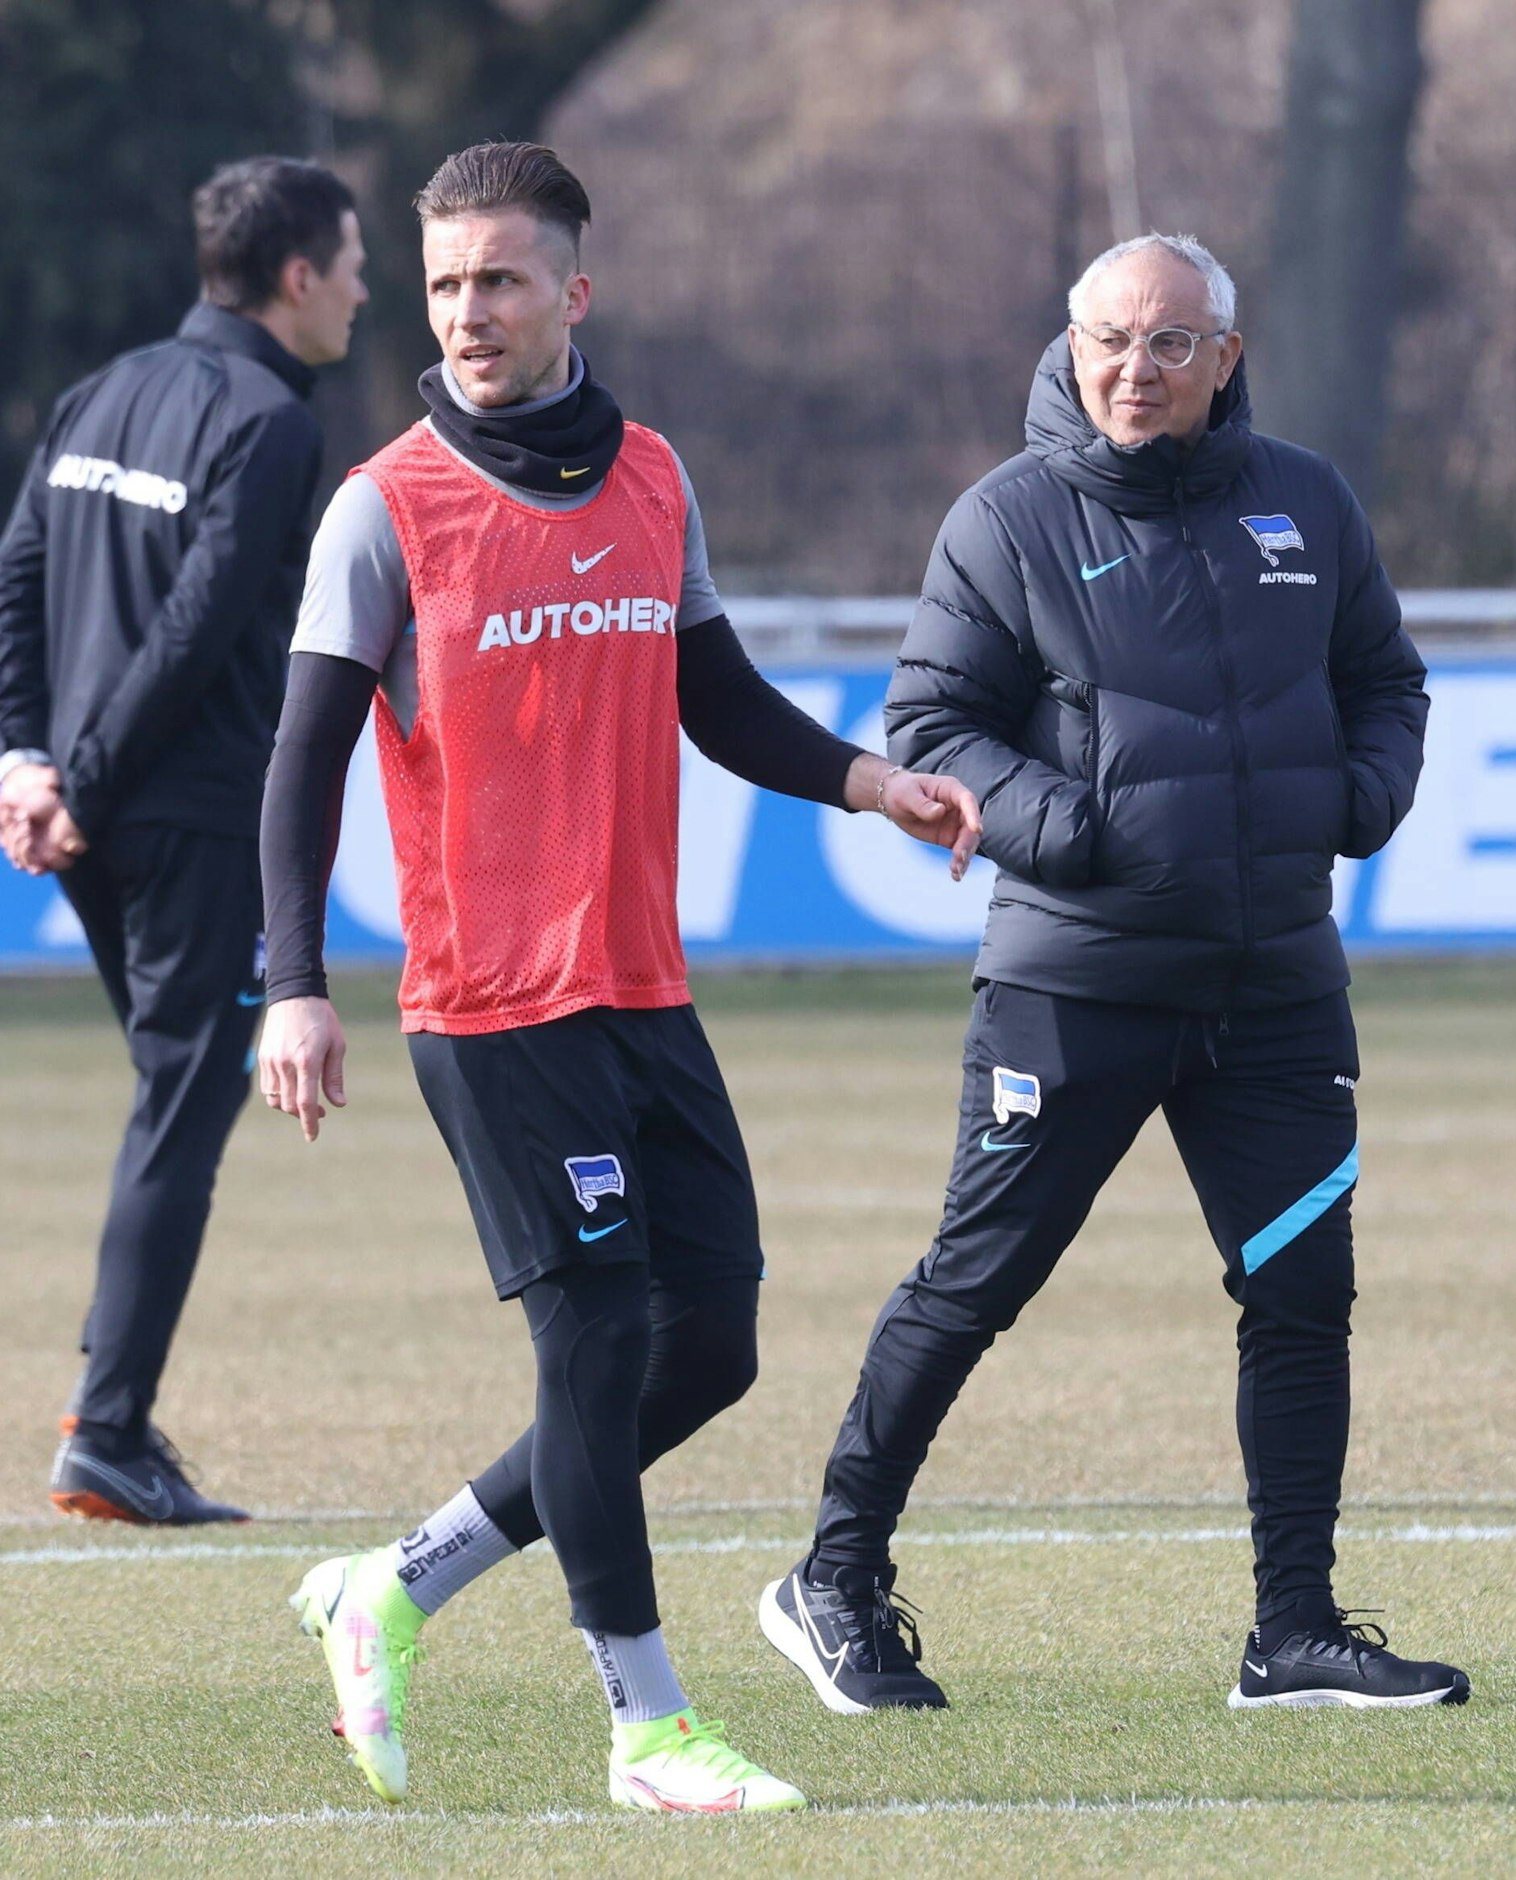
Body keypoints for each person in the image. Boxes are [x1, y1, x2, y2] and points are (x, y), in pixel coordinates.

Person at [257, 141, 979, 1815]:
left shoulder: (654, 475)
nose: (466, 313)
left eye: (499, 280)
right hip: (489, 1007)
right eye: (441, 286)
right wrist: (291, 982)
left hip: (641, 989)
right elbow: (298, 766)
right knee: (587, 1352)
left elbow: (710, 691)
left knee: (708, 1346)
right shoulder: (385, 505)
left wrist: (870, 781)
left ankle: (400, 1584)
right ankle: (647, 1729)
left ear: (574, 291)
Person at [759, 232, 1470, 1716]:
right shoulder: (1005, 520)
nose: (1133, 371)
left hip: (1276, 988)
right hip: (1073, 988)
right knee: (976, 1284)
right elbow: (934, 724)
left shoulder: (1309, 503)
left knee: (1301, 1297)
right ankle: (832, 1579)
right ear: (1071, 346)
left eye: (1167, 344)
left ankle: (1294, 1632)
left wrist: (1357, 798)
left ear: (1224, 353)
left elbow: (1385, 681)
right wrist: (1070, 832)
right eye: (1108, 341)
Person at [0, 157, 367, 1525]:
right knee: (181, 1109)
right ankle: (108, 1431)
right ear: (295, 276)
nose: (363, 290)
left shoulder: (105, 390)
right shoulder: (270, 422)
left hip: (93, 816)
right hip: (188, 820)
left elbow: (19, 577)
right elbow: (201, 626)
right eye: (352, 264)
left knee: (169, 1097)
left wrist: (29, 761)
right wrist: (75, 778)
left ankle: (111, 1419)